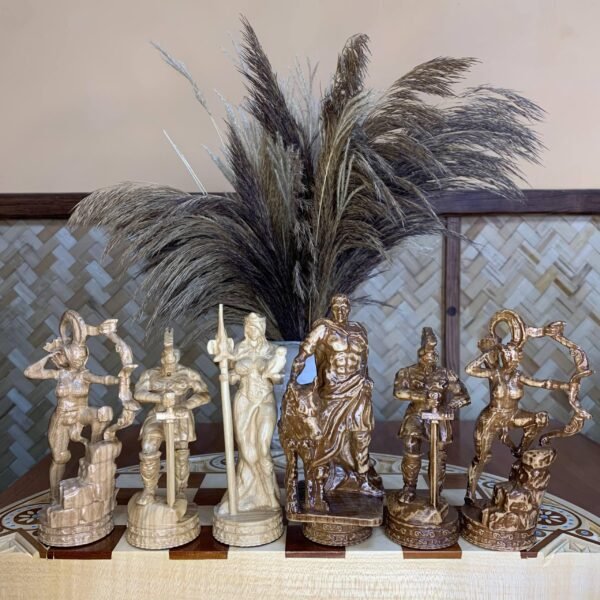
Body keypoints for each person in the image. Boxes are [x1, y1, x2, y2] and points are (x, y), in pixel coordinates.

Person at [289, 294, 382, 501]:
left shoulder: (359, 330)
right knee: (328, 437)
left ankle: (362, 479)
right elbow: (303, 355)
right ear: (331, 309)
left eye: (344, 306)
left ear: (349, 308)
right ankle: (331, 476)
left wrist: (367, 380)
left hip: (358, 389)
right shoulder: (323, 329)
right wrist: (293, 380)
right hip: (332, 392)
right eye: (336, 307)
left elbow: (363, 362)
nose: (340, 311)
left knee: (361, 434)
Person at [24, 310, 120, 503]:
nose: (79, 360)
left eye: (82, 357)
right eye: (75, 357)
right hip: (61, 418)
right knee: (60, 458)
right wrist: (50, 356)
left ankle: (94, 452)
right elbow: (30, 372)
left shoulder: (85, 375)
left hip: (80, 413)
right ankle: (54, 494)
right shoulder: (59, 374)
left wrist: (118, 379)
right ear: (67, 356)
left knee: (102, 413)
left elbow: (102, 379)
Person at [465, 335, 568, 503]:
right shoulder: (495, 374)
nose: (513, 362)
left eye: (516, 359)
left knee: (540, 418)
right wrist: (486, 354)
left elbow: (542, 384)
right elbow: (470, 370)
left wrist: (566, 386)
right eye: (510, 359)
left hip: (513, 415)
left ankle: (521, 450)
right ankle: (470, 492)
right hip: (492, 418)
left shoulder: (518, 376)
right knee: (482, 457)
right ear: (504, 358)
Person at [217, 313, 287, 514]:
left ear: (262, 329)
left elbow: (279, 378)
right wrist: (227, 376)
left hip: (265, 400)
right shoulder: (239, 349)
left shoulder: (272, 350)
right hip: (244, 400)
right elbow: (232, 376)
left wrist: (273, 373)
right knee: (247, 451)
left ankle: (270, 497)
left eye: (255, 327)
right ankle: (245, 495)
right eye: (248, 326)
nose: (251, 330)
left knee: (263, 449)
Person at [134, 328, 210, 505]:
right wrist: (159, 398)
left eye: (173, 357)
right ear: (161, 358)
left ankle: (180, 490)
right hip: (158, 415)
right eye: (165, 357)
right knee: (148, 449)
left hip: (181, 417)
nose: (169, 361)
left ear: (178, 358)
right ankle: (149, 491)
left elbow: (204, 394)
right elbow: (138, 393)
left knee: (180, 455)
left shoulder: (188, 374)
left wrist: (186, 405)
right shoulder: (150, 374)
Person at [394, 327, 470, 503]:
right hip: (416, 414)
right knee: (411, 445)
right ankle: (409, 487)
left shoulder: (445, 374)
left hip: (438, 416)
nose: (429, 358)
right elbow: (398, 392)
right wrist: (422, 396)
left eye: (432, 354)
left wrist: (450, 406)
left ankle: (436, 491)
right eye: (425, 354)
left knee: (439, 454)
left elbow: (464, 395)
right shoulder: (407, 372)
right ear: (420, 354)